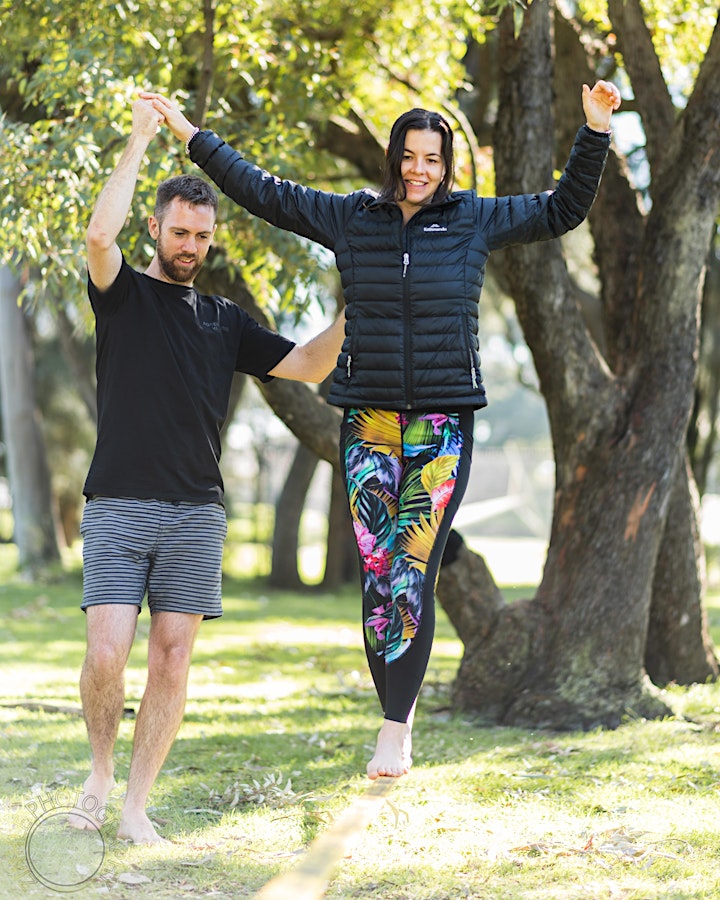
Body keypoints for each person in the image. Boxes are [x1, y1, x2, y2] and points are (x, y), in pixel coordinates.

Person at [144, 80, 621, 781]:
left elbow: (563, 209)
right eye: (410, 156)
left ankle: (395, 731)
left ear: (446, 163)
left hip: (441, 419)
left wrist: (596, 130)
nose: (420, 170)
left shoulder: (472, 220)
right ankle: (392, 713)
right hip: (367, 415)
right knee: (377, 572)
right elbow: (264, 192)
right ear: (395, 156)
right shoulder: (352, 218)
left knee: (412, 564)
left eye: (433, 158)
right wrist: (192, 135)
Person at [68, 97, 345, 844]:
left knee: (172, 656)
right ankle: (98, 771)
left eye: (201, 235)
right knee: (107, 651)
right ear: (155, 228)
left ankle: (134, 807)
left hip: (196, 513)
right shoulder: (121, 295)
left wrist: (364, 293)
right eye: (179, 231)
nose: (190, 245)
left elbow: (311, 364)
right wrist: (139, 139)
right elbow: (98, 232)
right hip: (120, 506)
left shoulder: (227, 322)